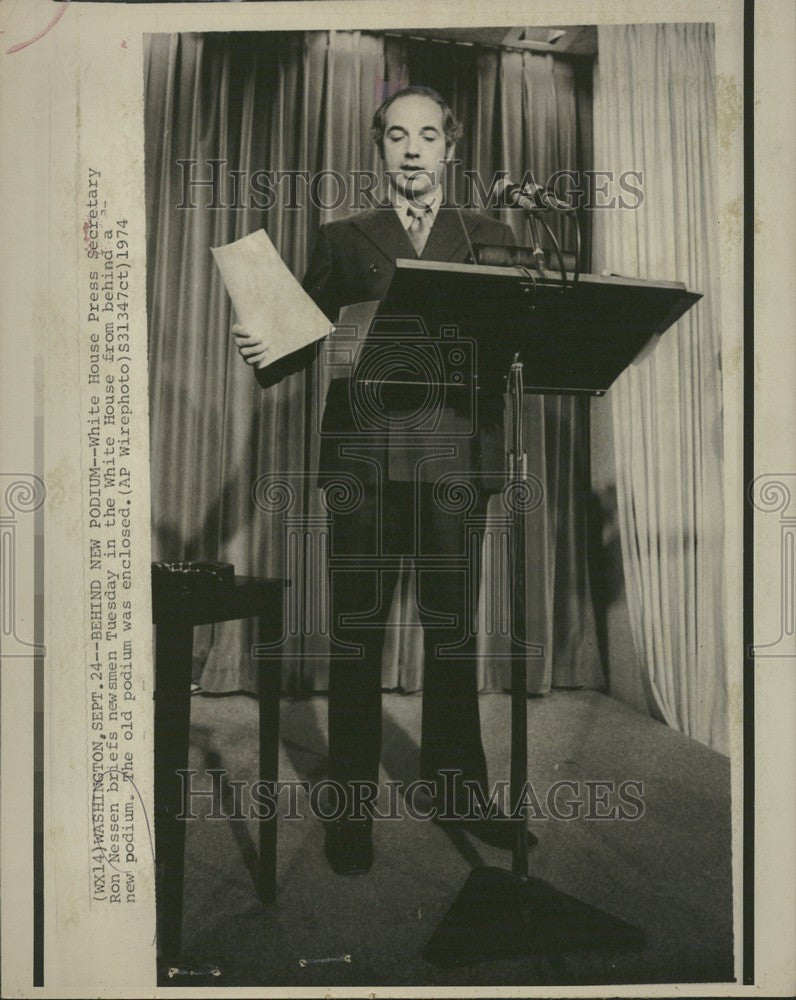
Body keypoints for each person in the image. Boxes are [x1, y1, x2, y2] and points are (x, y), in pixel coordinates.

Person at [235, 85, 532, 874]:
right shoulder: (343, 238)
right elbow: (295, 342)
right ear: (379, 149)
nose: (411, 149)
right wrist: (265, 340)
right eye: (397, 135)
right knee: (358, 636)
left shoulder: (491, 234)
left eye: (427, 135)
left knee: (451, 632)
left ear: (450, 149)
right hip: (362, 466)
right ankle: (351, 807)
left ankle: (459, 791)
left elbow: (511, 352)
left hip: (452, 465)